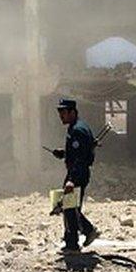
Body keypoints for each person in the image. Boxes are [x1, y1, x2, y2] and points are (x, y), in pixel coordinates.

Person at [50, 98, 99, 253]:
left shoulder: (78, 130)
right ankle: (77, 237)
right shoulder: (76, 127)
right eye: (60, 113)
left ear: (73, 112)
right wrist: (64, 153)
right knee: (68, 206)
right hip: (76, 172)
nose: (61, 116)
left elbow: (81, 158)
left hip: (77, 173)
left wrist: (72, 180)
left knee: (69, 207)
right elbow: (78, 152)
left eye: (64, 112)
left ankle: (77, 241)